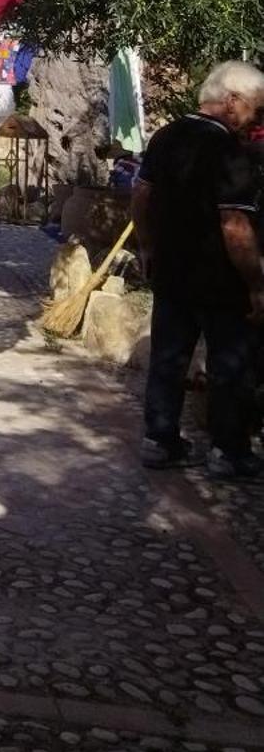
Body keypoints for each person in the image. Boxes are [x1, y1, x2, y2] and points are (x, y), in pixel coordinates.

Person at [132, 60, 264, 480]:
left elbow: (140, 195)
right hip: (220, 278)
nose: (253, 120)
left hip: (171, 269)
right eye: (254, 110)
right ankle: (228, 451)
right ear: (232, 101)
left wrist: (147, 246)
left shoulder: (166, 136)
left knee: (169, 358)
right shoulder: (228, 151)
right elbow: (235, 225)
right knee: (230, 364)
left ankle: (159, 440)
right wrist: (256, 283)